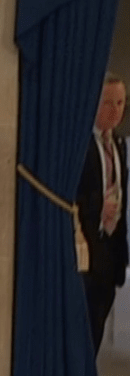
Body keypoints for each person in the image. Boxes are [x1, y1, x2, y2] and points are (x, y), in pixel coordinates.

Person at [77, 72, 128, 353]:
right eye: (109, 103)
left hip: (111, 251)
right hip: (88, 247)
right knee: (83, 330)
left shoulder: (118, 145)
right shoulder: (81, 145)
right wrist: (99, 207)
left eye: (121, 103)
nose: (116, 110)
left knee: (96, 329)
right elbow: (72, 192)